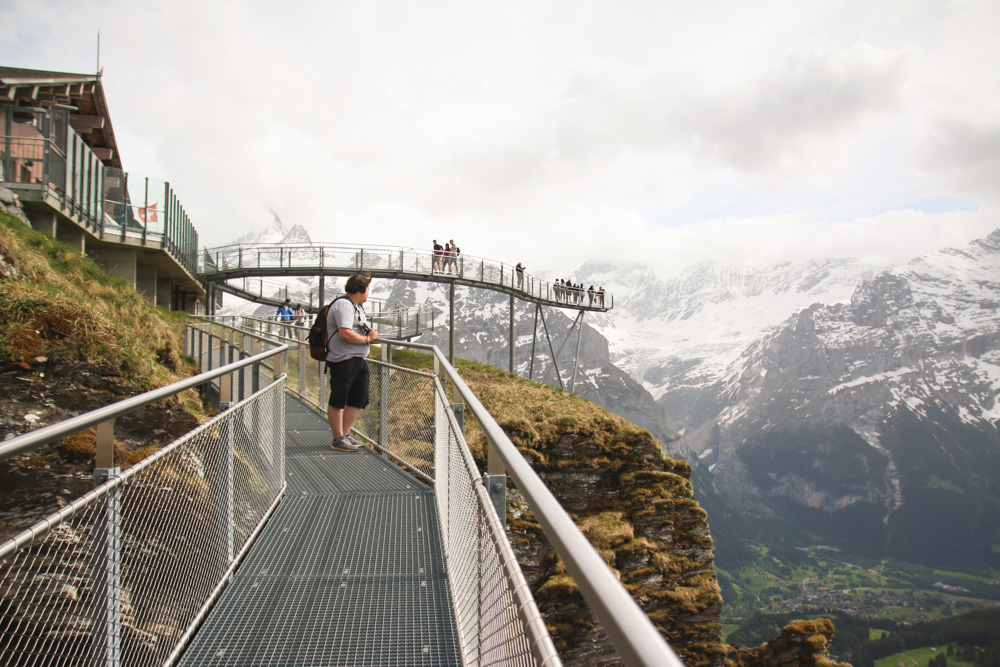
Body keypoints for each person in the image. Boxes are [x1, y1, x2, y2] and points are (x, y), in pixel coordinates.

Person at [326, 273, 379, 452]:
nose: (368, 293)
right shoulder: (344, 305)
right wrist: (367, 339)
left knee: (359, 397)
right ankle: (337, 438)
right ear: (361, 289)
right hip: (343, 360)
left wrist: (368, 336)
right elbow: (345, 333)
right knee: (339, 398)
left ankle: (345, 434)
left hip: (356, 359)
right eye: (367, 289)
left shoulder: (355, 306)